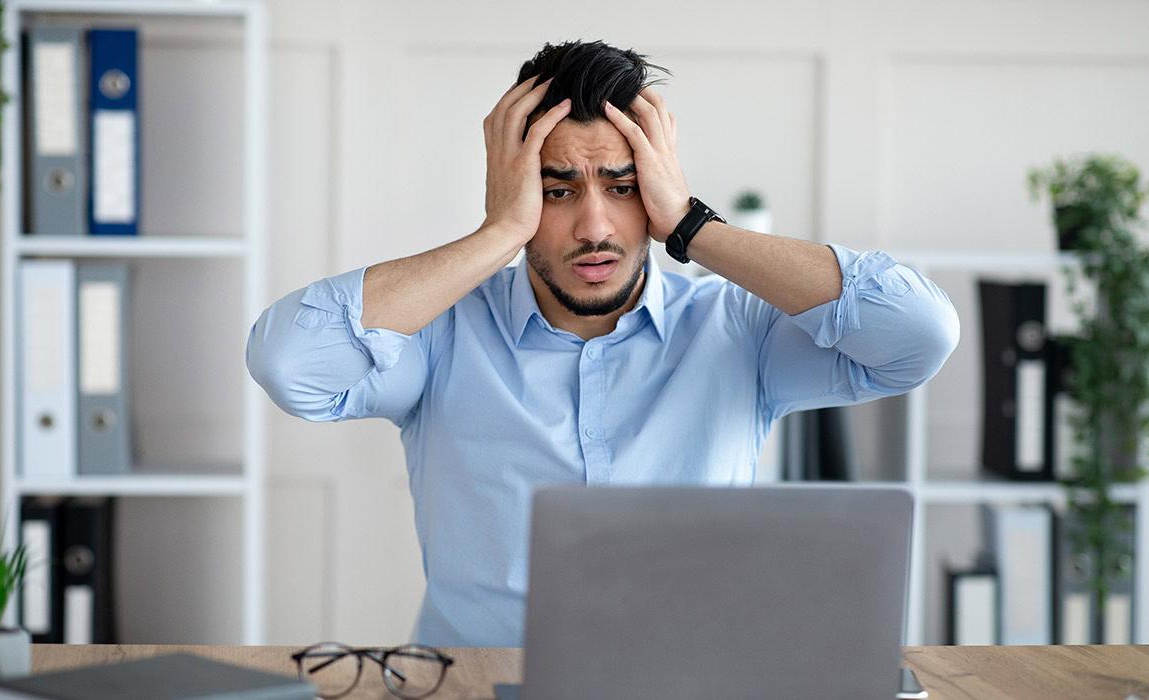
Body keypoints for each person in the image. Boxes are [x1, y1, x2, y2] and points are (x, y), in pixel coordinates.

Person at [246, 40, 960, 647]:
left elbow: (920, 334)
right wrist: (499, 232)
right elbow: (289, 365)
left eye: (622, 187)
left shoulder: (737, 329)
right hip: (477, 683)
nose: (595, 228)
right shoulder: (440, 332)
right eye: (558, 191)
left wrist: (690, 224)